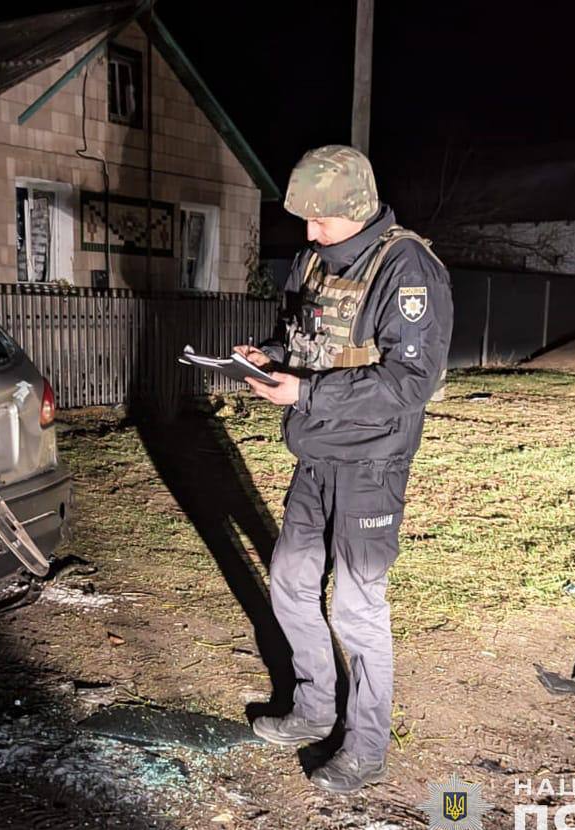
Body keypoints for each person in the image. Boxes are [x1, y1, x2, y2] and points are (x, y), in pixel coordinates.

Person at [236, 144, 453, 793]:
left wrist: (303, 392)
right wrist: (267, 358)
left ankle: (366, 747)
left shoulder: (406, 268)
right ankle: (312, 709)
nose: (309, 232)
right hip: (316, 453)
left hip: (372, 462)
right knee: (289, 581)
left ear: (357, 208)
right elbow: (302, 337)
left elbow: (410, 381)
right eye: (304, 218)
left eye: (320, 219)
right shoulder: (313, 260)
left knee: (357, 607)